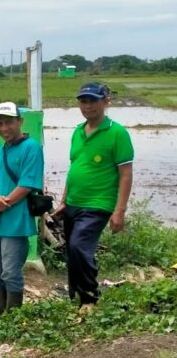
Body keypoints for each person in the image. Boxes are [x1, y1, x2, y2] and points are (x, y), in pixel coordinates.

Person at [52, 82, 134, 309]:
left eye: (93, 101)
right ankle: (74, 297)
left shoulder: (117, 133)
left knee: (79, 246)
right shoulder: (78, 132)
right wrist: (64, 200)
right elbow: (74, 168)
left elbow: (125, 175)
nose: (87, 106)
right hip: (73, 203)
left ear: (106, 101)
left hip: (98, 203)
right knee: (71, 250)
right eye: (83, 101)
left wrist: (119, 211)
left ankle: (89, 298)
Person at [0, 102, 45, 316]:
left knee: (10, 273)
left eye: (8, 122)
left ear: (20, 121)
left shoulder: (31, 148)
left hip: (14, 222)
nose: (4, 128)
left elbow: (26, 185)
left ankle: (13, 320)